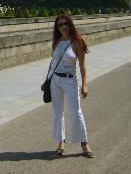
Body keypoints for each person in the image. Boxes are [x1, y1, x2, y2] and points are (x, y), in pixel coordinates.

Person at [46, 13, 93, 158]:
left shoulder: (77, 42)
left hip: (70, 81)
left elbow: (82, 65)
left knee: (76, 111)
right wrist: (46, 80)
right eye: (60, 24)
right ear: (57, 27)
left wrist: (84, 85)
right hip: (55, 81)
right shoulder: (57, 42)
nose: (63, 27)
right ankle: (61, 141)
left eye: (66, 23)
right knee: (57, 113)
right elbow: (53, 62)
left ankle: (84, 143)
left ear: (70, 24)